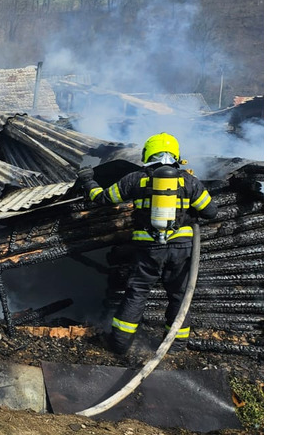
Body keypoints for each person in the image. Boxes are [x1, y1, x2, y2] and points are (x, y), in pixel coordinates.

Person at [77, 133, 219, 355]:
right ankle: (175, 347)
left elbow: (103, 198)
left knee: (137, 293)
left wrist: (88, 181)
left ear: (148, 154)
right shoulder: (189, 181)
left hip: (149, 249)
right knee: (179, 296)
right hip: (181, 250)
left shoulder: (135, 179)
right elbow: (210, 212)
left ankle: (120, 344)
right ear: (176, 155)